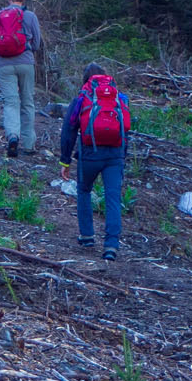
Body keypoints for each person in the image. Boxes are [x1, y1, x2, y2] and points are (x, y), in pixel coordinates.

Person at [59, 66, 134, 260]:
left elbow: (69, 130)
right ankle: (111, 245)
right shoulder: (120, 98)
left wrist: (65, 161)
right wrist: (122, 156)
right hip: (115, 156)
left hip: (89, 154)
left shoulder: (81, 99)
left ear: (86, 80)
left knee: (83, 190)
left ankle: (87, 236)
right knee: (113, 197)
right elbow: (125, 128)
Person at [0, 0, 43, 158]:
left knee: (11, 102)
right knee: (27, 101)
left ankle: (12, 136)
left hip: (3, 64)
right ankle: (28, 144)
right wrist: (25, 49)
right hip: (25, 62)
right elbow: (37, 44)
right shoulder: (30, 16)